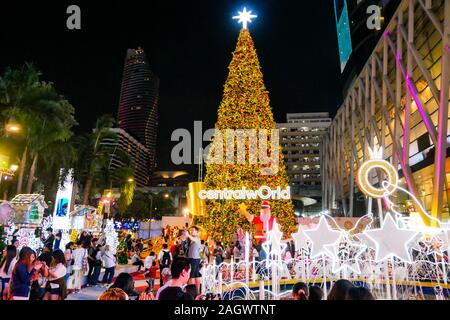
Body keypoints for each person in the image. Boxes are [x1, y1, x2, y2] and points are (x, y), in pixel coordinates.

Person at [186, 227, 202, 293]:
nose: (191, 231)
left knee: (191, 276)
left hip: (194, 259)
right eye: (191, 230)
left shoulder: (197, 239)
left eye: (193, 230)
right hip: (194, 259)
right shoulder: (192, 240)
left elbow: (193, 239)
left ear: (197, 232)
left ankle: (190, 293)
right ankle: (197, 292)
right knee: (196, 275)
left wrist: (188, 235)